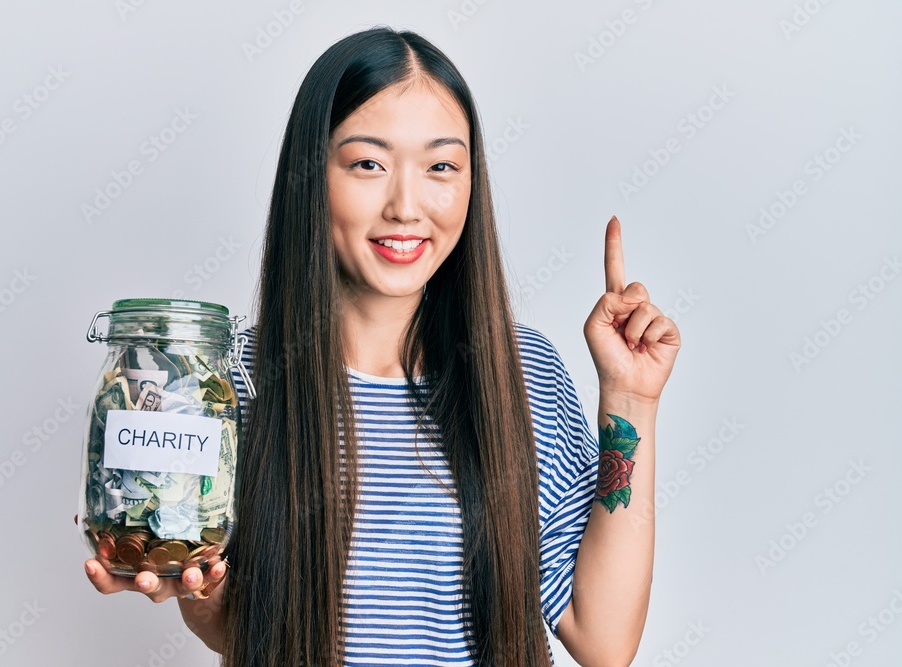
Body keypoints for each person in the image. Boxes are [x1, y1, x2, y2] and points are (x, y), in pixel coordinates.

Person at [84, 25, 680, 667]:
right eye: (368, 163)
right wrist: (193, 588)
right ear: (313, 174)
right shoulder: (226, 380)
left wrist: (630, 396)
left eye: (441, 167)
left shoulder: (521, 372)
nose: (406, 206)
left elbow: (604, 638)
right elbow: (251, 635)